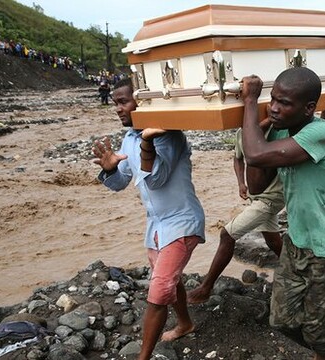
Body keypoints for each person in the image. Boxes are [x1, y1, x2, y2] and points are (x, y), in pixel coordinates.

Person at [91, 78, 205, 360]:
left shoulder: (170, 136)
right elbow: (121, 182)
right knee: (169, 280)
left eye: (123, 102)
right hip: (156, 226)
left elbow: (156, 181)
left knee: (158, 290)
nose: (117, 108)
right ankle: (185, 324)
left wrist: (147, 143)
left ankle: (143, 357)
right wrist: (109, 170)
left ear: (142, 102)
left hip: (182, 222)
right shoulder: (130, 138)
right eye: (116, 102)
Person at [240, 67, 325, 360]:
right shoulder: (281, 130)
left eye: (284, 103)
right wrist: (262, 128)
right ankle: (322, 345)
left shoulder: (322, 133)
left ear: (309, 108)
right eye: (272, 99)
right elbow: (256, 184)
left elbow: (255, 154)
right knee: (280, 320)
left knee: (318, 332)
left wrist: (251, 102)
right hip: (296, 243)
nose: (274, 107)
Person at [186, 127, 283, 304]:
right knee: (273, 241)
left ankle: (206, 288)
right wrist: (240, 182)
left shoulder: (278, 131)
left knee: (227, 234)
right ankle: (299, 273)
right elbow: (238, 158)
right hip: (258, 197)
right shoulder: (242, 132)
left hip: (271, 197)